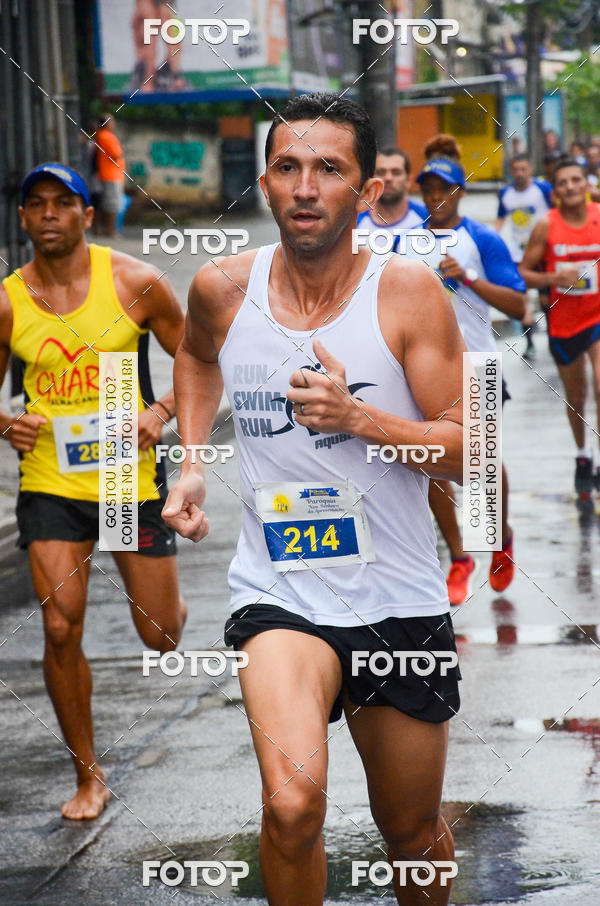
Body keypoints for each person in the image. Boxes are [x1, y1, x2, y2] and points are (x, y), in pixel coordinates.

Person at [163, 93, 464, 906]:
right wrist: (191, 462)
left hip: (397, 596)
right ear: (265, 182)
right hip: (281, 591)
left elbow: (469, 450)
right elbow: (196, 357)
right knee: (292, 807)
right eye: (288, 168)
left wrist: (358, 418)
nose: (304, 187)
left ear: (367, 190)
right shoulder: (223, 287)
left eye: (328, 169)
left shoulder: (407, 293)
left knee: (410, 827)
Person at [0, 163, 186, 819]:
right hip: (50, 480)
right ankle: (88, 775)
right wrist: (6, 423)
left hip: (123, 475)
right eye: (36, 204)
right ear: (23, 217)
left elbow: (203, 360)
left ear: (87, 214)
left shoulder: (136, 283)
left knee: (160, 635)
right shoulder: (8, 301)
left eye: (62, 202)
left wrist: (161, 411)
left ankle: (169, 604)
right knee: (59, 624)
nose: (49, 213)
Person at [402, 157, 526, 605]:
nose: (436, 196)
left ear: (461, 192)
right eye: (429, 188)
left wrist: (468, 278)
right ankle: (459, 556)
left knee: (480, 465)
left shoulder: (482, 238)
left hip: (477, 366)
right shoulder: (406, 242)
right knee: (428, 459)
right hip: (419, 370)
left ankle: (498, 537)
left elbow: (519, 306)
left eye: (445, 188)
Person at [519, 156, 600, 501]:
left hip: (597, 315)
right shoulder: (546, 226)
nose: (570, 187)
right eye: (563, 182)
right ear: (555, 192)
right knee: (576, 396)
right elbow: (522, 272)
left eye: (576, 180)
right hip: (564, 322)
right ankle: (583, 455)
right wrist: (554, 277)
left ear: (586, 184)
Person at [494, 154, 553, 359]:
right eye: (516, 169)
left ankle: (553, 338)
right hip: (518, 254)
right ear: (511, 171)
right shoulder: (506, 193)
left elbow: (556, 210)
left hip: (543, 252)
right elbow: (500, 219)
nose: (519, 173)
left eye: (523, 169)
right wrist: (493, 240)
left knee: (546, 299)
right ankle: (529, 344)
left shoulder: (542, 189)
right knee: (522, 298)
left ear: (530, 170)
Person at [355, 146, 427, 238]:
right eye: (381, 172)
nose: (388, 178)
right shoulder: (354, 220)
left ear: (408, 180)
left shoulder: (427, 218)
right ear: (371, 180)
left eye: (396, 172)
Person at [95, 113, 126, 238]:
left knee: (108, 203)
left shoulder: (100, 136)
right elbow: (116, 154)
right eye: (112, 121)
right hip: (111, 175)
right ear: (107, 124)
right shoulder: (107, 137)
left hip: (109, 174)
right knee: (112, 205)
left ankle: (106, 230)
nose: (114, 124)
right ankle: (110, 231)